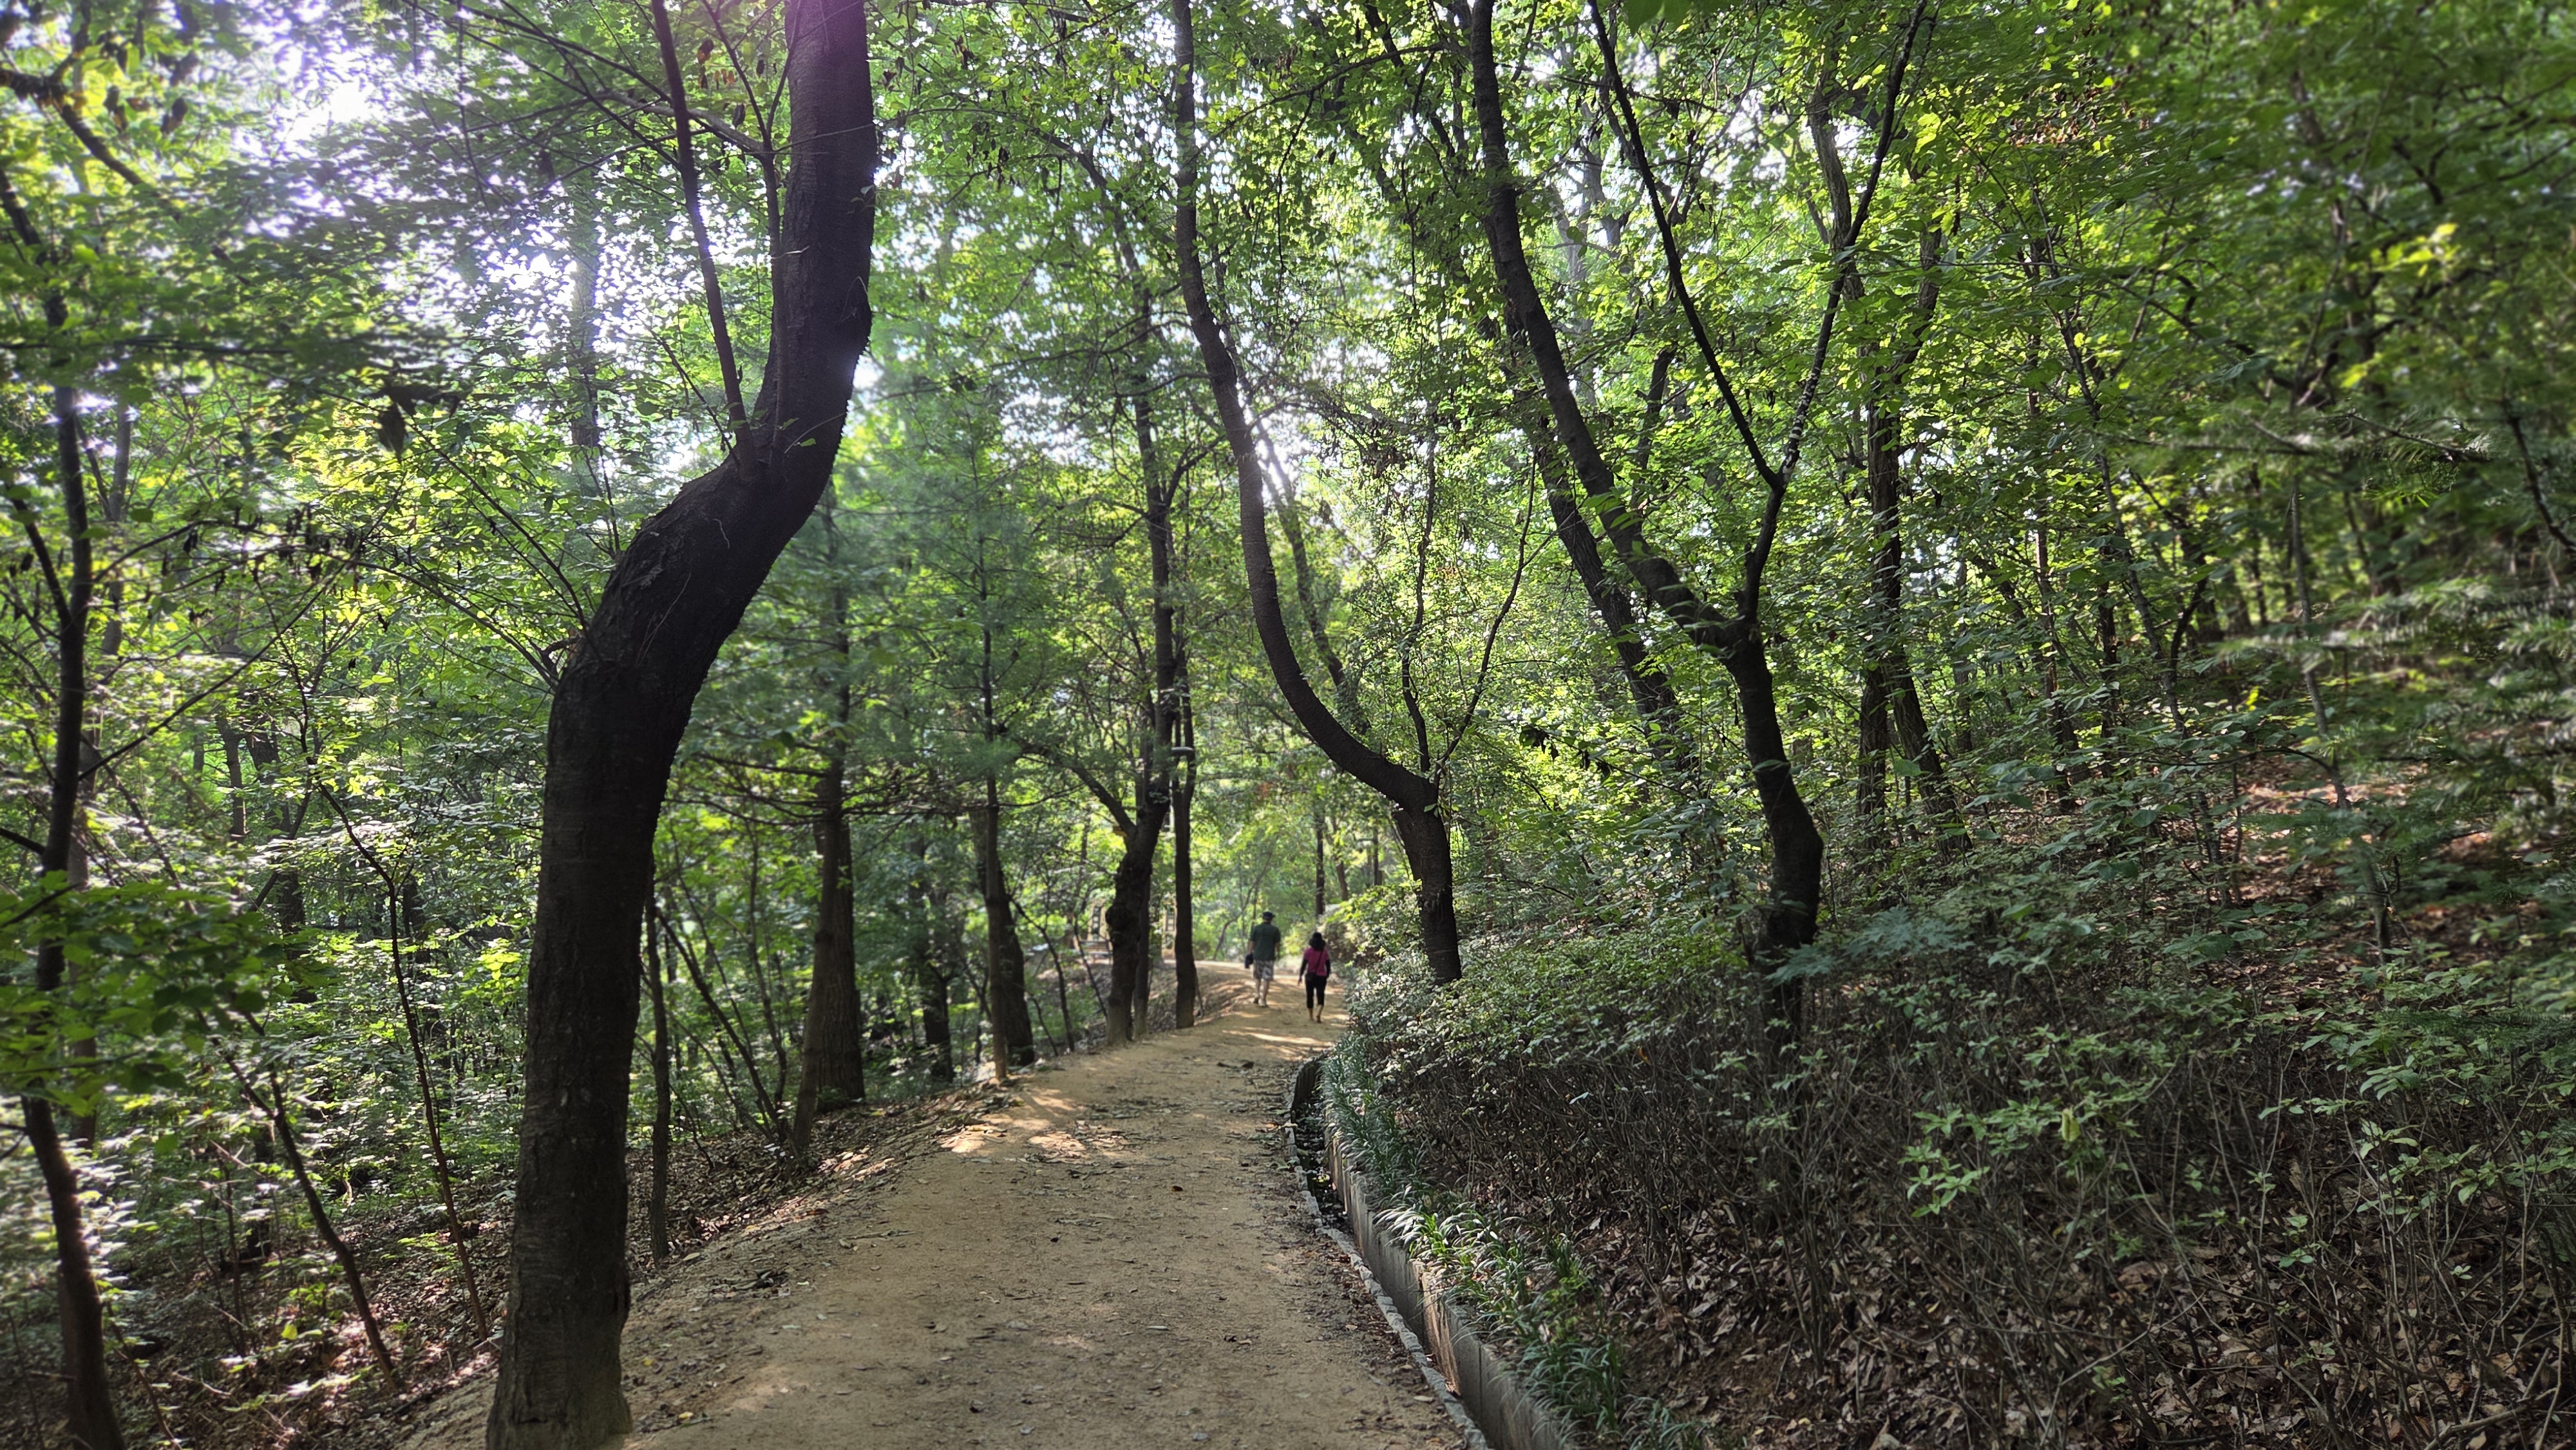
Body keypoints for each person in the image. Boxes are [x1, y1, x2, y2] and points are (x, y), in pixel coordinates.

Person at [1244, 910, 1283, 1007]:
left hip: (1257, 956)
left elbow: (1252, 942)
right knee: (1267, 979)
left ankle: (1257, 994)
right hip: (1269, 957)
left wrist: (1250, 952)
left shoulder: (1257, 928)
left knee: (1257, 977)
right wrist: (1278, 953)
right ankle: (1263, 1000)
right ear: (1271, 919)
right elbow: (1277, 944)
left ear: (1263, 919)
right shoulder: (1275, 930)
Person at [1299, 932, 1332, 1022]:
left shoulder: (1308, 952)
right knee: (1321, 995)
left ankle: (1311, 1016)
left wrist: (1300, 976)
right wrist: (1327, 974)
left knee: (1310, 996)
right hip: (1321, 977)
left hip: (1310, 976)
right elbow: (1328, 965)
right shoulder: (1324, 952)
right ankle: (1319, 1014)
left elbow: (1304, 965)